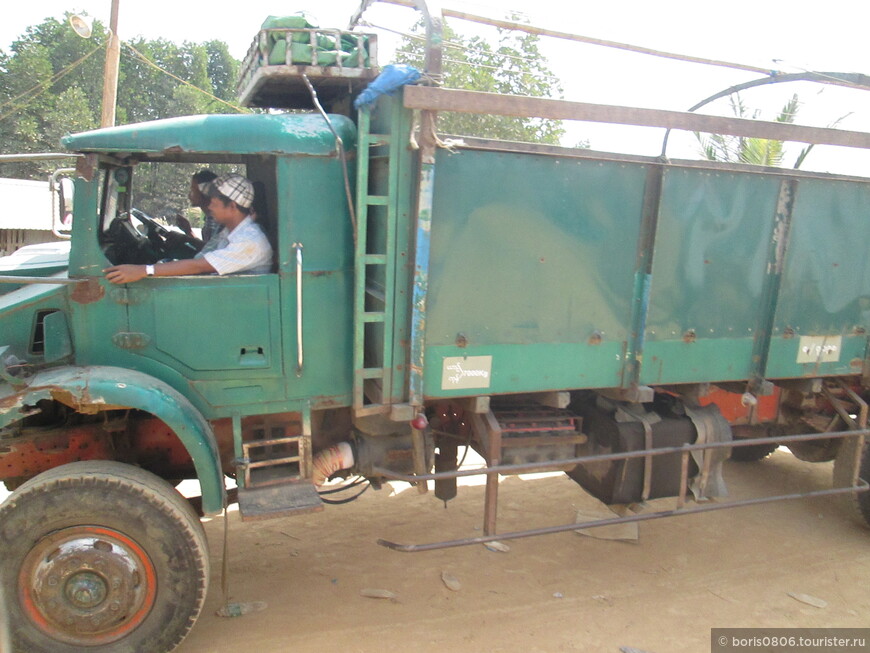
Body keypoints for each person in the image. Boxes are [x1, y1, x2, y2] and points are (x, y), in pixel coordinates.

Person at [104, 173, 273, 284]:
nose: (210, 206)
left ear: (232, 206)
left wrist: (143, 270)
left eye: (214, 202)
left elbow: (199, 266)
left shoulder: (249, 241)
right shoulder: (230, 232)